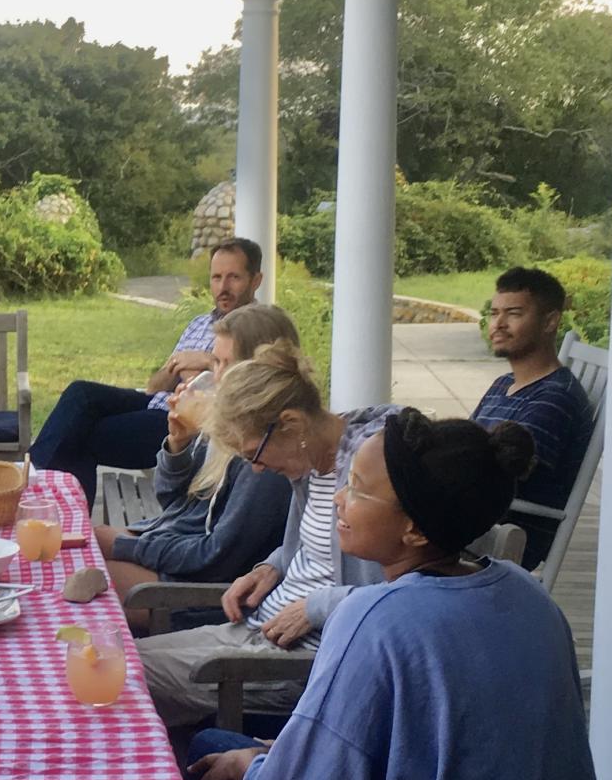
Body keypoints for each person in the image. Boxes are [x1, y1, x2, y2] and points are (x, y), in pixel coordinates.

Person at [187, 410, 601, 780]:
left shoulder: (376, 619)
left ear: (415, 529)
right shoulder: (530, 594)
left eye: (357, 488)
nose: (338, 499)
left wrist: (248, 769)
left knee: (212, 750)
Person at [135, 340, 398, 726]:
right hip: (256, 629)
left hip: (300, 663)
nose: (256, 470)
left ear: (291, 423)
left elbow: (404, 597)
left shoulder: (371, 479)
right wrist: (271, 566)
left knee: (123, 678)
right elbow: (314, 548)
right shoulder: (311, 461)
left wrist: (316, 607)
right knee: (118, 657)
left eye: (253, 454)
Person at [93, 305, 296, 629]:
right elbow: (173, 502)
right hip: (175, 548)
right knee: (76, 550)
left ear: (259, 370)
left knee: (83, 581)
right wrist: (179, 445)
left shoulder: (263, 456)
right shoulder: (229, 422)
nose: (216, 377)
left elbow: (216, 559)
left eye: (227, 364)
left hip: (200, 595)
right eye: (215, 362)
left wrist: (127, 546)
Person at [29, 238, 266, 504]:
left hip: (180, 424)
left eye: (234, 277)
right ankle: (38, 481)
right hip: (156, 401)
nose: (223, 288)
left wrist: (206, 361)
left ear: (256, 280)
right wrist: (180, 366)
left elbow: (226, 390)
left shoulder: (258, 329)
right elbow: (155, 385)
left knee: (79, 434)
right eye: (216, 277)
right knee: (81, 393)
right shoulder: (199, 323)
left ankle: (33, 486)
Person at [472, 267, 595, 570]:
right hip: (473, 519)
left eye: (513, 313)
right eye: (494, 313)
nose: (498, 324)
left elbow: (507, 470)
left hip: (504, 534)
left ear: (550, 322)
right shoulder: (503, 384)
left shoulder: (555, 398)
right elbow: (463, 444)